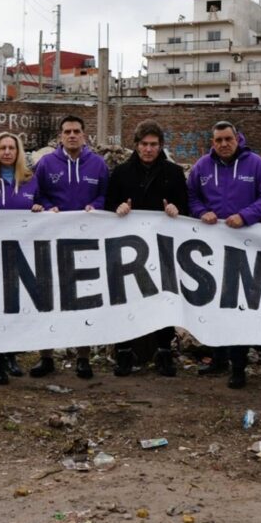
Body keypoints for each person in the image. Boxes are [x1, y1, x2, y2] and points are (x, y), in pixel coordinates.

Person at [187, 120, 261, 388]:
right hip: (213, 247)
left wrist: (246, 215)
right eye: (218, 141)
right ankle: (218, 359)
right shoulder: (202, 166)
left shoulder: (256, 164)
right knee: (214, 303)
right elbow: (191, 196)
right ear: (212, 142)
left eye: (228, 139)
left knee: (237, 305)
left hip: (245, 245)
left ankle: (238, 367)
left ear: (237, 139)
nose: (224, 144)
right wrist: (201, 212)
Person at [105, 120, 189, 377]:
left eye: (154, 144)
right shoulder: (120, 173)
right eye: (144, 144)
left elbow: (186, 209)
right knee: (127, 298)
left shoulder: (174, 173)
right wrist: (118, 209)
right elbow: (108, 208)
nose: (149, 149)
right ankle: (124, 351)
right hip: (129, 249)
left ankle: (164, 351)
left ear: (161, 146)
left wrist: (176, 210)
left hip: (163, 247)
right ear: (136, 145)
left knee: (163, 298)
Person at [29, 115, 109, 379]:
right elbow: (36, 194)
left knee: (83, 297)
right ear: (60, 136)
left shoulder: (98, 165)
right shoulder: (46, 163)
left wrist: (95, 207)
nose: (72, 135)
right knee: (48, 297)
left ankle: (83, 357)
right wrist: (46, 206)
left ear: (84, 135)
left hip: (86, 242)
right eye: (67, 131)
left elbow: (105, 195)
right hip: (53, 240)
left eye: (76, 131)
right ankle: (46, 356)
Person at [0, 131, 38, 384]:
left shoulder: (30, 180)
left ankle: (13, 356)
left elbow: (44, 205)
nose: (6, 152)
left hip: (22, 255)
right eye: (2, 148)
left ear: (18, 152)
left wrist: (40, 209)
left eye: (11, 148)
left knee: (17, 308)